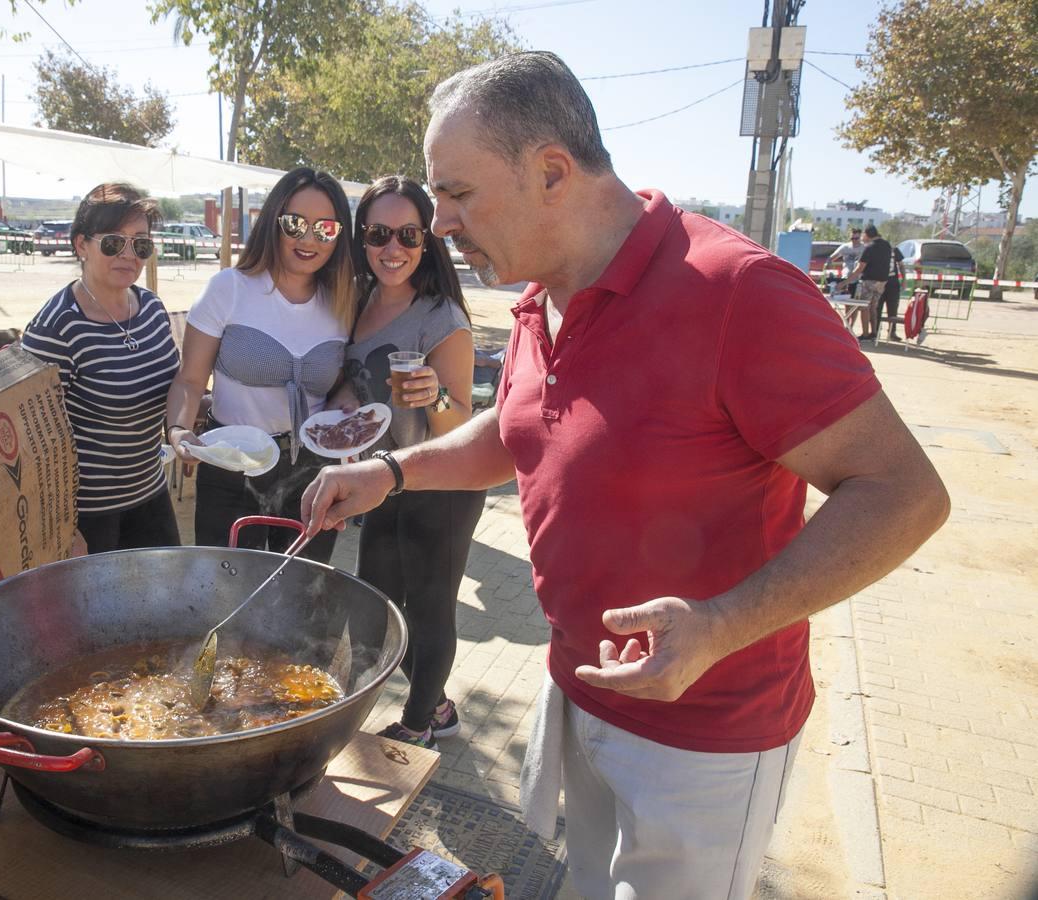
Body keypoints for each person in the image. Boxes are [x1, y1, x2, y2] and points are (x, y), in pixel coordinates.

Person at [300, 51, 950, 899]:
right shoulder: (541, 294)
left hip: (706, 739)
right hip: (581, 698)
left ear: (551, 172)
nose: (443, 224)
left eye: (458, 193)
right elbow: (525, 429)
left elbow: (905, 493)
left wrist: (720, 624)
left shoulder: (740, 291)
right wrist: (392, 470)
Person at [342, 175, 485, 749]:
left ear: (427, 241)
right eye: (379, 233)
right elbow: (352, 384)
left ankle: (420, 722)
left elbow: (463, 426)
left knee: (428, 610)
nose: (392, 248)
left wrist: (437, 397)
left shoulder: (441, 317)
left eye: (408, 234)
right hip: (385, 477)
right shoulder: (358, 301)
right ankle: (440, 705)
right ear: (362, 238)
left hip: (442, 482)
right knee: (374, 603)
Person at [165, 167, 354, 561]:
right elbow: (190, 379)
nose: (308, 239)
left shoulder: (344, 301)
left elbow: (341, 385)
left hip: (312, 472)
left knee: (302, 599)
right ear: (272, 222)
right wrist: (180, 429)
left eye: (325, 229)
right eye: (295, 223)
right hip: (233, 465)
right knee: (228, 596)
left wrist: (347, 412)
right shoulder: (229, 289)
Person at [21, 183, 181, 555]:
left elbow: (168, 387)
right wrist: (65, 526)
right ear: (82, 245)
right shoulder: (57, 326)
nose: (129, 254)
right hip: (88, 517)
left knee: (163, 609)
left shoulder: (152, 309)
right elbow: (33, 443)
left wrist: (193, 419)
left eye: (140, 244)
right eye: (113, 242)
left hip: (150, 495)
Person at [848, 224, 894, 342]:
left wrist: (845, 282)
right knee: (874, 307)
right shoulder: (887, 245)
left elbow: (860, 267)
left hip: (869, 281)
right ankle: (874, 332)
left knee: (864, 307)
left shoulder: (869, 248)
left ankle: (865, 334)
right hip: (882, 281)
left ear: (867, 235)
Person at [828, 226, 865, 330]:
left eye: (856, 238)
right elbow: (832, 257)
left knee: (854, 304)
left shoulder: (864, 248)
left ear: (860, 238)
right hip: (845, 278)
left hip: (858, 279)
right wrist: (830, 264)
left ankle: (851, 326)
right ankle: (846, 324)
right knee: (846, 303)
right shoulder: (845, 247)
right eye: (852, 238)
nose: (854, 241)